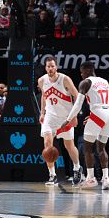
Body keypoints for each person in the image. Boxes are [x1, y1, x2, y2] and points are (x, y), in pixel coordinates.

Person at [62, 61, 109, 190]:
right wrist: (98, 115)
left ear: (86, 70)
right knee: (101, 148)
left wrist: (68, 119)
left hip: (98, 113)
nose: (81, 74)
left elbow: (78, 104)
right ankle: (106, 178)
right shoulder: (104, 81)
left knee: (87, 148)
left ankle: (91, 179)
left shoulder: (86, 82)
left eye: (81, 72)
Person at [38, 56, 83, 186]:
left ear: (56, 67)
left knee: (69, 145)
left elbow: (77, 96)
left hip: (65, 117)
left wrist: (74, 116)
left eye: (52, 66)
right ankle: (52, 175)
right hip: (50, 116)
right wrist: (42, 113)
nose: (50, 68)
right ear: (45, 68)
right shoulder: (42, 81)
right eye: (48, 66)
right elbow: (44, 96)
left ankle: (77, 168)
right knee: (47, 144)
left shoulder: (65, 79)